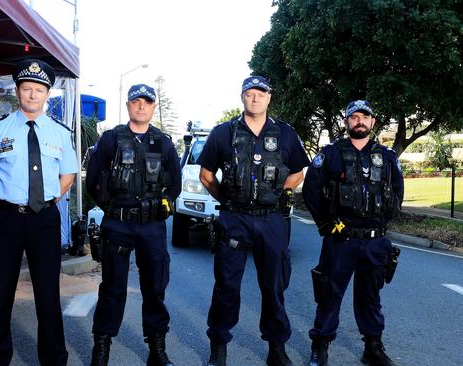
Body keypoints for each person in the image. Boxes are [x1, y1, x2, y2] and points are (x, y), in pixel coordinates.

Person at [198, 76, 310, 366]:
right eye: (250, 94)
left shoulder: (285, 134)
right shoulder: (223, 133)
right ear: (242, 98)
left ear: (269, 98)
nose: (255, 99)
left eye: (261, 94)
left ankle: (276, 347)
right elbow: (206, 176)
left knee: (273, 286)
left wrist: (280, 193)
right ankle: (218, 348)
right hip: (234, 218)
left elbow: (298, 172)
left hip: (272, 220)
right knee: (226, 285)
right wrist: (228, 200)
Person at [0, 59, 78, 366]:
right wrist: (7, 198)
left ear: (47, 94)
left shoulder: (60, 133)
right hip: (6, 219)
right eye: (27, 89)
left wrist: (45, 202)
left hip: (44, 219)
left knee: (48, 295)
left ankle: (53, 359)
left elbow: (68, 175)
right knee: (1, 292)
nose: (32, 95)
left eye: (39, 90)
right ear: (17, 91)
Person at [85, 83, 182, 366]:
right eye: (136, 101)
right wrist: (112, 210)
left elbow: (174, 183)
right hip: (118, 225)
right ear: (128, 105)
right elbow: (93, 180)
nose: (141, 106)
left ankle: (157, 350)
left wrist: (161, 205)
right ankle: (101, 350)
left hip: (152, 227)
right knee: (112, 289)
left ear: (153, 107)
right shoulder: (111, 139)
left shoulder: (163, 142)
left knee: (155, 288)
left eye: (147, 102)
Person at [302, 100, 403, 366]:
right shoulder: (331, 154)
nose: (359, 121)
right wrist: (326, 224)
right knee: (329, 295)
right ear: (346, 122)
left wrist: (383, 224)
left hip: (375, 241)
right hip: (341, 239)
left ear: (373, 122)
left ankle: (373, 347)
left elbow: (397, 192)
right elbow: (311, 190)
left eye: (364, 117)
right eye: (354, 117)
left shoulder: (388, 156)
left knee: (371, 297)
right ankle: (320, 347)